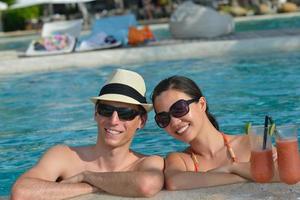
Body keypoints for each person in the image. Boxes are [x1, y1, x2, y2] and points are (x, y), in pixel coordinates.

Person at [11, 69, 164, 199]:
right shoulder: (64, 156)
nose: (114, 120)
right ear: (96, 113)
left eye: (126, 113)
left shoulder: (146, 163)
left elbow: (147, 185)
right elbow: (21, 192)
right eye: (106, 110)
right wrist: (90, 187)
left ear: (141, 121)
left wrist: (87, 177)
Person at [151, 75, 279, 190]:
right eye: (163, 119)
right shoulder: (180, 159)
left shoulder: (251, 142)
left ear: (201, 104)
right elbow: (174, 182)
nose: (174, 122)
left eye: (179, 109)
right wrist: (245, 175)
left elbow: (285, 171)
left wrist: (233, 167)